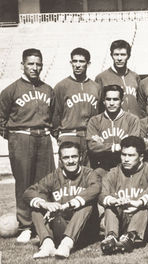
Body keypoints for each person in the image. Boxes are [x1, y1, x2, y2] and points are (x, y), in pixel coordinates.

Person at [0, 48, 56, 243]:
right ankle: (25, 226)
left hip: (44, 137)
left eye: (38, 64)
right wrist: (13, 137)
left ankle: (43, 222)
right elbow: (1, 118)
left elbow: (53, 116)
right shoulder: (11, 90)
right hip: (21, 138)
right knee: (24, 183)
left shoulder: (48, 89)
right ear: (22, 64)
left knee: (45, 183)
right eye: (30, 63)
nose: (34, 67)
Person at [24, 142, 101, 259]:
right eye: (66, 157)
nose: (70, 161)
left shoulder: (89, 174)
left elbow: (95, 188)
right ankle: (47, 244)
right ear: (60, 160)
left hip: (85, 229)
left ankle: (67, 244)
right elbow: (28, 192)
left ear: (80, 157)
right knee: (36, 206)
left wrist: (69, 204)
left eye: (74, 156)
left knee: (86, 204)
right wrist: (45, 204)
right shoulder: (54, 176)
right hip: (62, 226)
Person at [99, 136, 148, 254]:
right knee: (109, 205)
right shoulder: (114, 172)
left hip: (144, 222)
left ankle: (130, 237)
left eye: (131, 155)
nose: (126, 159)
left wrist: (138, 202)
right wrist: (113, 200)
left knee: (144, 205)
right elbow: (102, 194)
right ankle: (111, 237)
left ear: (141, 157)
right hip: (121, 218)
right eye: (123, 154)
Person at [53, 47, 100, 164]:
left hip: (90, 137)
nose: (77, 65)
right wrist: (58, 135)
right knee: (68, 173)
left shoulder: (96, 87)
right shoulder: (61, 86)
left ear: (88, 64)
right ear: (71, 63)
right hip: (69, 135)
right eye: (75, 61)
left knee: (89, 173)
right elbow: (54, 114)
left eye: (81, 61)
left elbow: (99, 114)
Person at [87, 85, 140, 171]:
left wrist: (103, 145)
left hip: (125, 167)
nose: (111, 103)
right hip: (102, 166)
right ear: (104, 101)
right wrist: (115, 147)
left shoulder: (132, 120)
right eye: (108, 99)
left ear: (121, 102)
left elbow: (132, 146)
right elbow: (92, 147)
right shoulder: (94, 121)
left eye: (115, 99)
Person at [95, 40, 142, 117]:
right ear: (111, 55)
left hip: (135, 124)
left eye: (123, 55)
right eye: (116, 55)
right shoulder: (101, 78)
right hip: (115, 125)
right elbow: (99, 108)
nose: (119, 58)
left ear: (129, 56)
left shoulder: (135, 77)